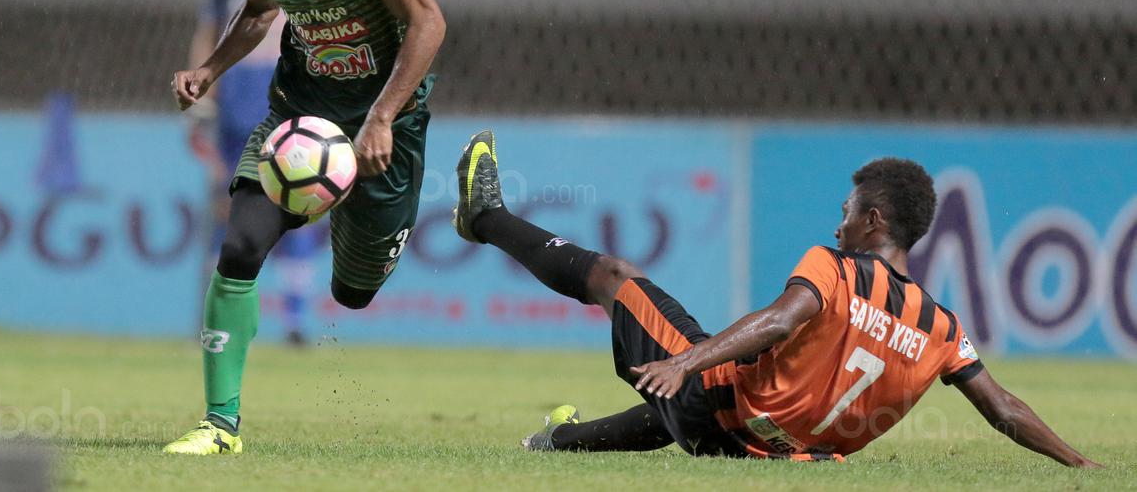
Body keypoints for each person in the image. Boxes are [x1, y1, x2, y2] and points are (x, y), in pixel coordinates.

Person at [452, 131, 1101, 466]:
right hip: (767, 453)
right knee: (708, 397)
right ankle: (558, 444)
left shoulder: (835, 268)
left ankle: (483, 216)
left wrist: (688, 362)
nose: (836, 223)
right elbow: (1002, 408)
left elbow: (779, 319)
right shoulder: (941, 328)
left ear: (872, 221)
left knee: (615, 278)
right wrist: (1078, 462)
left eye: (846, 212)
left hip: (714, 411)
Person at [165, 0, 446, 455]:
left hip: (384, 126)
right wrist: (208, 70)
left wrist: (380, 117)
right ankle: (220, 424)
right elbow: (259, 13)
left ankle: (377, 218)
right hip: (299, 117)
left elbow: (429, 22)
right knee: (238, 247)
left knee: (353, 292)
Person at [187, 0, 316, 346]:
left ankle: (296, 322)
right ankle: (218, 322)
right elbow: (206, 30)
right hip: (235, 94)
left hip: (287, 93)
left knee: (296, 197)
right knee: (227, 204)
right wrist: (202, 85)